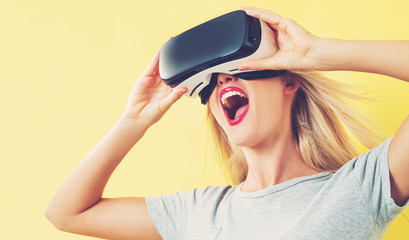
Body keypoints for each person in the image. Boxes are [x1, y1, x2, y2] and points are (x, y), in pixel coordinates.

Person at [45, 6, 409, 240]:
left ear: (289, 81)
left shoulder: (357, 189)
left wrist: (318, 53)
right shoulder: (197, 212)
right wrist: (133, 121)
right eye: (211, 81)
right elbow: (66, 213)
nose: (222, 81)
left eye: (237, 70)